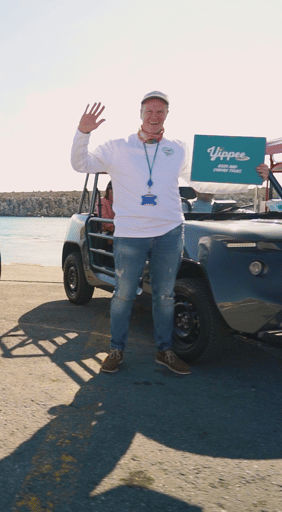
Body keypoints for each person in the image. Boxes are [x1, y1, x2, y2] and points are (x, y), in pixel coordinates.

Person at [70, 91, 192, 375]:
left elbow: (205, 177)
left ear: (167, 115)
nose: (154, 116)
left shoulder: (179, 148)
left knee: (165, 296)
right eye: (149, 111)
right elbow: (81, 164)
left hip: (170, 232)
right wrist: (82, 133)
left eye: (160, 111)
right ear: (140, 113)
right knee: (124, 294)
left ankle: (165, 351)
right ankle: (116, 350)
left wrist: (251, 176)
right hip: (130, 234)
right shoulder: (117, 148)